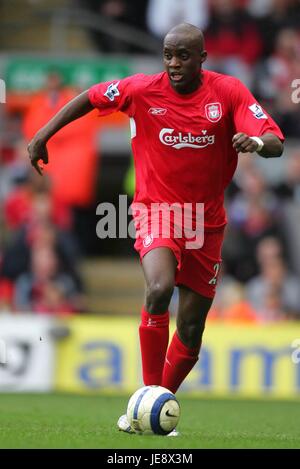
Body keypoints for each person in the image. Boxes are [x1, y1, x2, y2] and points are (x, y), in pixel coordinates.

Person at [27, 23, 284, 436]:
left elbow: (274, 139)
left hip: (206, 223)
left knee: (192, 328)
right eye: (168, 55)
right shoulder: (142, 89)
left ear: (202, 58)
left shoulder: (229, 92)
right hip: (156, 211)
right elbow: (89, 98)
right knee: (159, 288)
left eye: (183, 56)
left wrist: (255, 144)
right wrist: (43, 134)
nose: (174, 64)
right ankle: (147, 393)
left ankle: (151, 403)